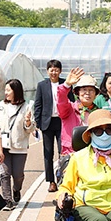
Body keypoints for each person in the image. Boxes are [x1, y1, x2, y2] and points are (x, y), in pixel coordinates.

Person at [0, 79, 36, 211]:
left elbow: (29, 129)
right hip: (2, 146)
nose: (5, 93)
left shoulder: (26, 107)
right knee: (4, 173)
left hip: (19, 146)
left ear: (15, 91)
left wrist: (28, 122)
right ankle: (7, 200)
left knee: (18, 175)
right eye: (5, 90)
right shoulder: (1, 106)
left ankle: (17, 189)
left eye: (8, 90)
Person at [34, 59, 74, 193]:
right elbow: (38, 105)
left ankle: (63, 178)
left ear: (60, 71)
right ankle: (51, 181)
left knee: (63, 151)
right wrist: (38, 123)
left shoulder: (66, 84)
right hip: (47, 123)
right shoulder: (42, 85)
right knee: (48, 153)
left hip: (62, 122)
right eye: (51, 69)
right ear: (47, 71)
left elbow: (72, 102)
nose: (54, 72)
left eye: (56, 69)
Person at [57, 67, 100, 156]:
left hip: (92, 154)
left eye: (91, 90)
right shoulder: (69, 109)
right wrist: (66, 85)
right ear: (78, 92)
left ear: (95, 94)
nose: (87, 93)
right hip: (71, 153)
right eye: (84, 90)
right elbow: (61, 100)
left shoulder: (98, 113)